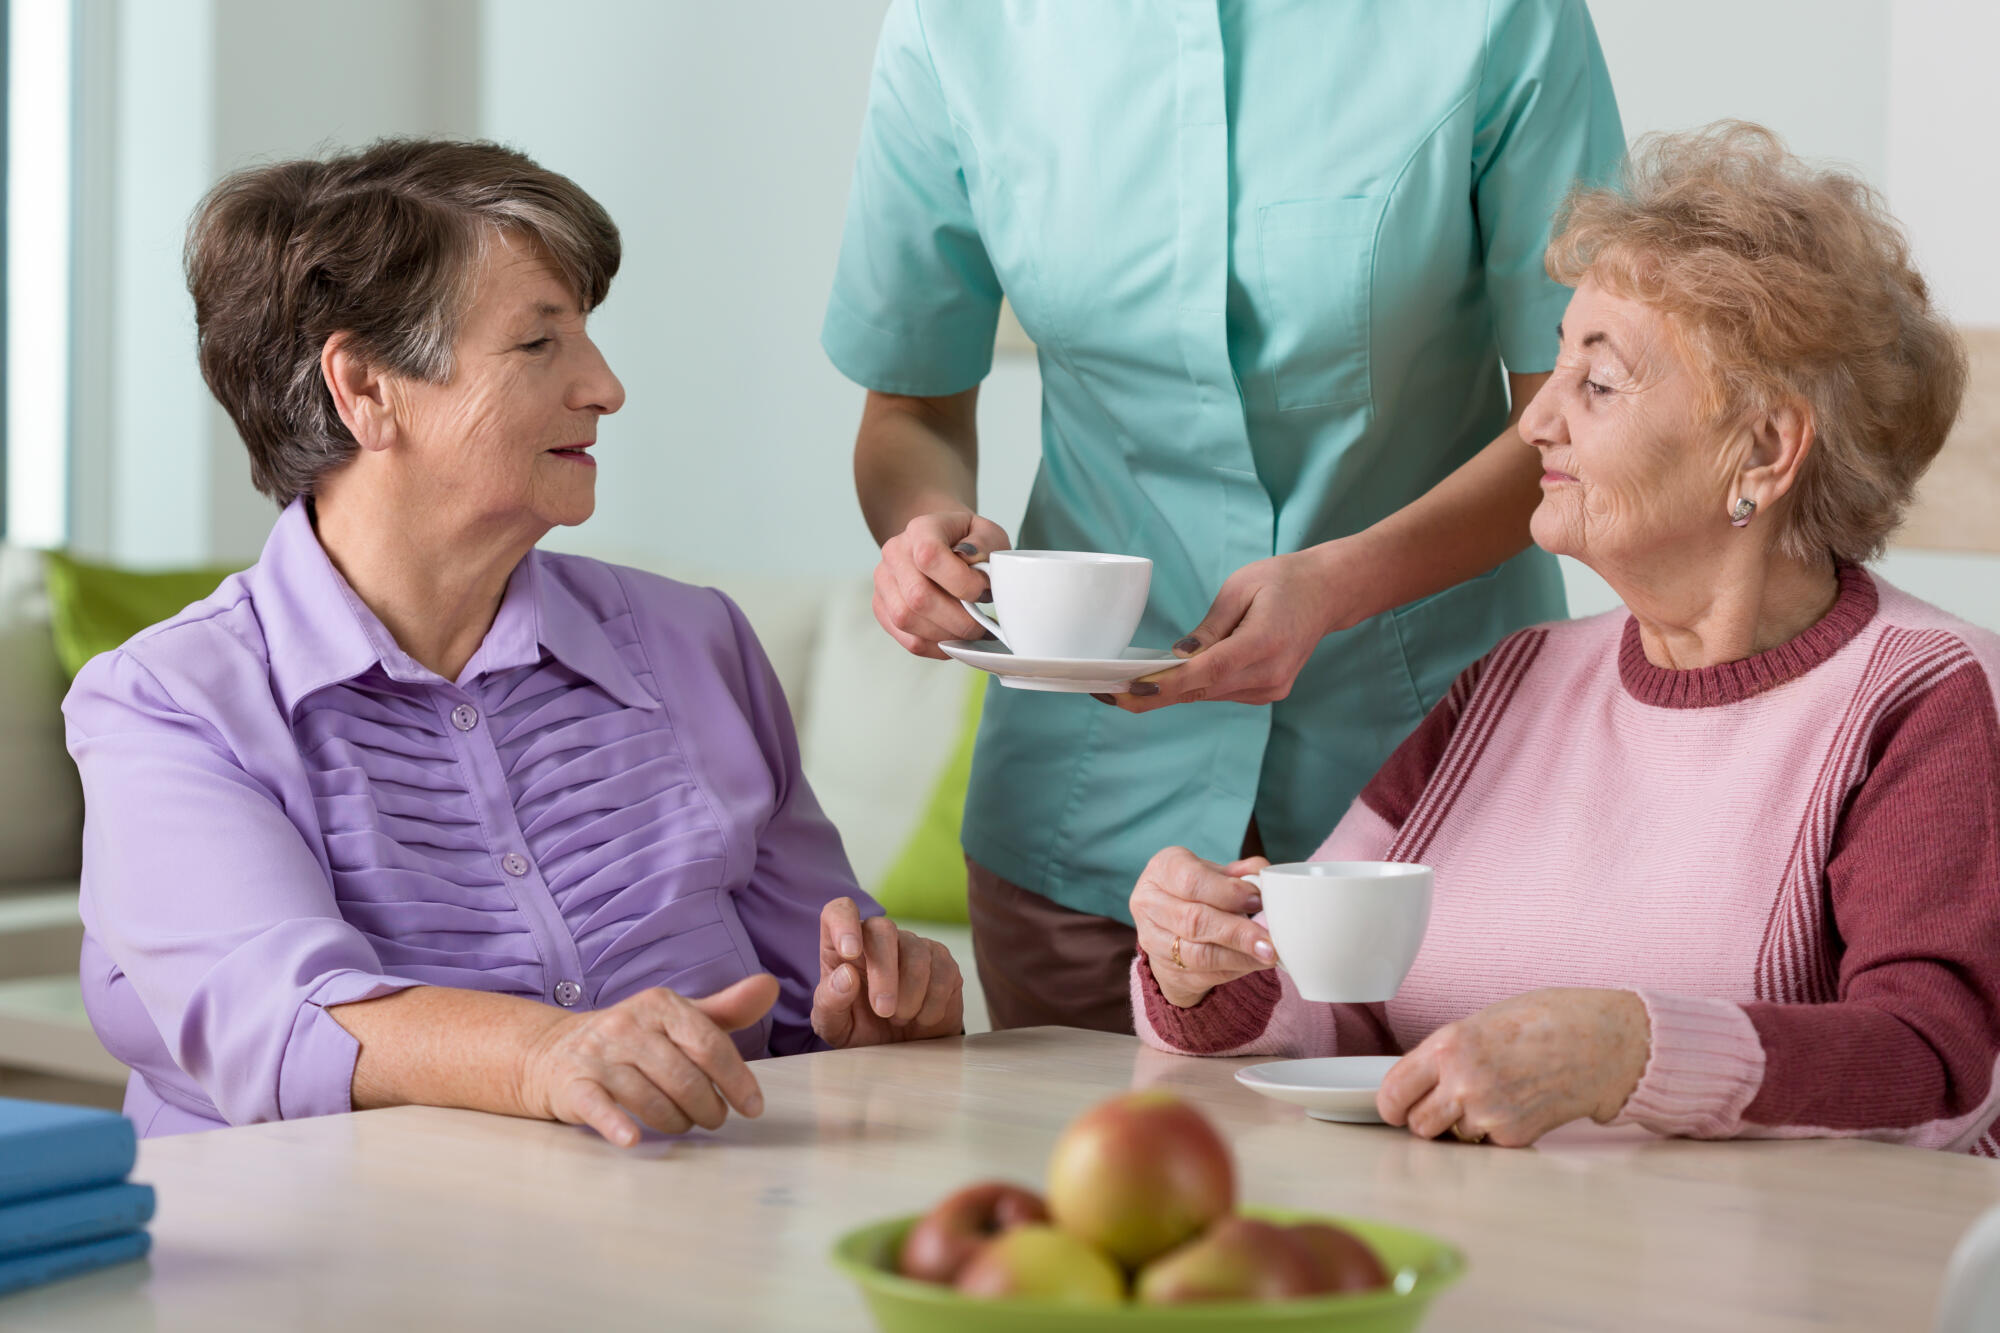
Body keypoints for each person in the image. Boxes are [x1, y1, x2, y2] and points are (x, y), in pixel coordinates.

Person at [65, 140, 961, 1144]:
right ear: (363, 386)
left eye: (585, 334)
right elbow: (276, 1018)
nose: (605, 386)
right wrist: (543, 1052)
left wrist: (870, 1009)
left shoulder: (693, 643)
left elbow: (812, 996)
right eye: (539, 345)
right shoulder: (169, 702)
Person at [1130, 123, 2000, 1153]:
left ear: (1762, 450)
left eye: (1596, 383)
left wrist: (1632, 1049)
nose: (1536, 422)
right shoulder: (1515, 677)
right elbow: (1338, 1009)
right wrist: (1205, 968)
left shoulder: (1925, 697)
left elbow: (1939, 1068)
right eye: (1554, 371)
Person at [823, 0, 1624, 1031]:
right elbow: (909, 411)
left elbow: (1572, 422)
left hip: (1434, 803)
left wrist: (1339, 586)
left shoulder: (1496, 19)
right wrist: (927, 532)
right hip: (1083, 827)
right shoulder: (955, 26)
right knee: (1089, 1193)